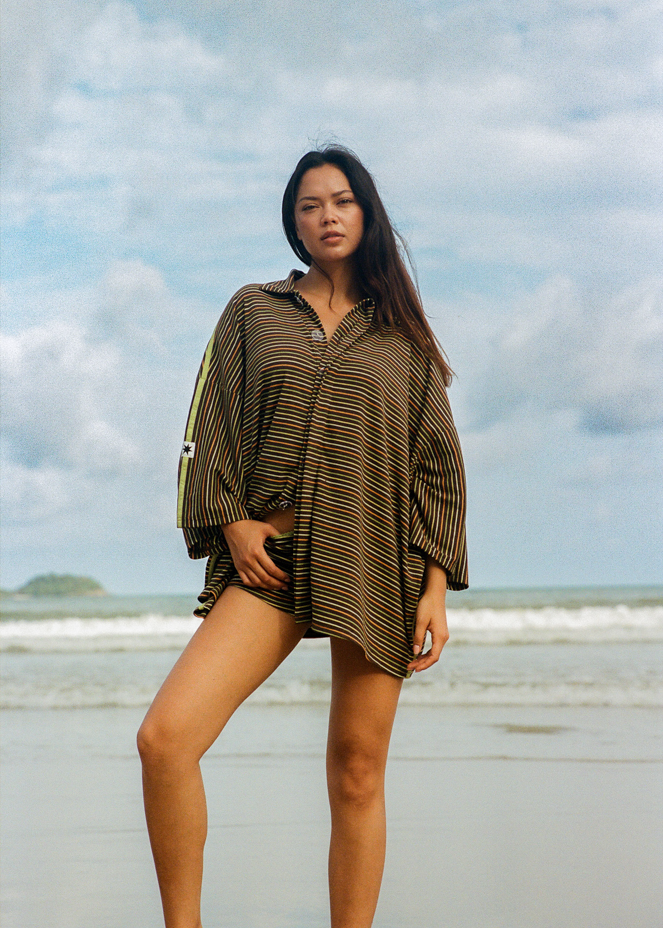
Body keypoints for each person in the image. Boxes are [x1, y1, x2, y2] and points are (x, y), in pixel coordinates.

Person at [137, 145, 468, 928]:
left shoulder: (403, 339)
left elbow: (437, 467)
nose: (327, 215)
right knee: (164, 739)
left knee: (356, 773)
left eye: (342, 200)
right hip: (272, 558)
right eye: (310, 204)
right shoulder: (253, 310)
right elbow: (206, 424)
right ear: (293, 221)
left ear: (366, 213)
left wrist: (433, 590)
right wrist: (230, 518)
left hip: (374, 563)